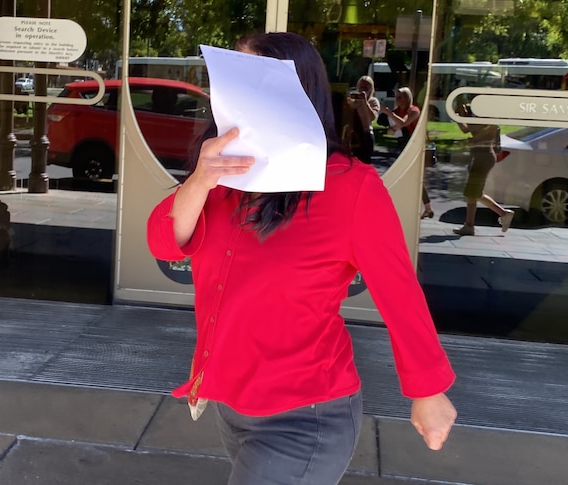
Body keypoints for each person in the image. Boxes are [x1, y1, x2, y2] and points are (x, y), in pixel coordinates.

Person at [146, 32, 456, 485]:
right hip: (231, 405)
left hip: (305, 417)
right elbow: (165, 242)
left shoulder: (351, 187)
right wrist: (199, 180)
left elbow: (399, 293)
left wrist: (429, 390)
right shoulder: (222, 175)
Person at [453, 101, 513, 236]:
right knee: (475, 192)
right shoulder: (485, 119)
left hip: (482, 158)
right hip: (481, 157)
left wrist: (462, 116)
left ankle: (470, 226)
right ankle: (503, 214)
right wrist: (461, 116)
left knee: (471, 192)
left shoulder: (488, 120)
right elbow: (468, 129)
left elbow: (469, 130)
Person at [380, 87, 433, 219]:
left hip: (415, 147)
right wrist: (394, 124)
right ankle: (426, 208)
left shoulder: (414, 110)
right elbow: (390, 131)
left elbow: (403, 123)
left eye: (401, 96)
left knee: (415, 179)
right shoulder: (397, 111)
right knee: (411, 178)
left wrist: (387, 112)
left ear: (408, 98)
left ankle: (425, 208)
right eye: (397, 96)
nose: (398, 99)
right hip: (402, 146)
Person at [344, 75, 380, 163]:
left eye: (366, 86)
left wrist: (365, 102)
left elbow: (372, 117)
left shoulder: (373, 101)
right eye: (361, 86)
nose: (363, 88)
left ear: (371, 88)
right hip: (353, 135)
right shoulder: (353, 100)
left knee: (365, 162)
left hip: (366, 134)